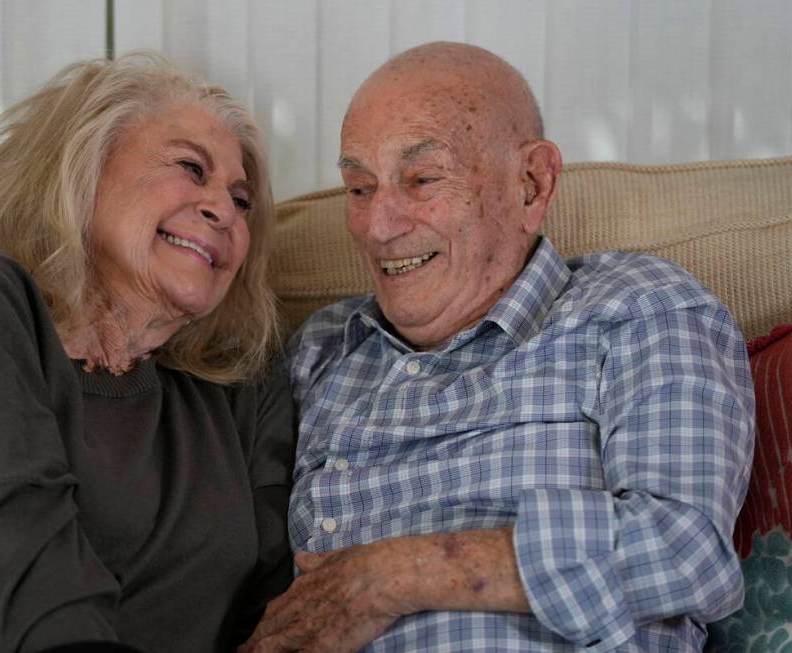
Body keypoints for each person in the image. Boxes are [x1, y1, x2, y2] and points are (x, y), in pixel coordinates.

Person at [241, 42, 754, 652]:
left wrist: (392, 577)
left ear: (532, 185)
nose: (378, 226)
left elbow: (686, 549)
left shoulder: (637, 307)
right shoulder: (319, 352)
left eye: (422, 178)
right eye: (358, 188)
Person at [0, 52, 294, 652]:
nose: (223, 211)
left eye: (242, 201)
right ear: (84, 168)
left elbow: (277, 613)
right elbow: (12, 523)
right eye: (190, 167)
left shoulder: (246, 392)